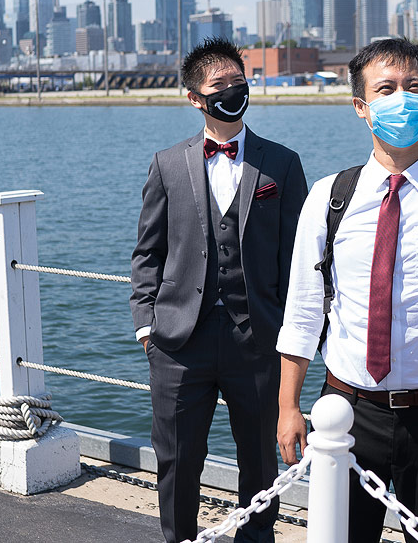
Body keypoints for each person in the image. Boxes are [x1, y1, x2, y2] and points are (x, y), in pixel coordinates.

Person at [276, 38, 418, 543]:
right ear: (362, 108)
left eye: (415, 87)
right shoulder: (330, 197)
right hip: (346, 411)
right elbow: (303, 311)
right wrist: (288, 407)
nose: (403, 99)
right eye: (386, 89)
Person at [130, 37, 307, 543]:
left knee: (258, 464)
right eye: (219, 86)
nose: (232, 92)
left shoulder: (282, 164)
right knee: (178, 461)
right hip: (179, 343)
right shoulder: (167, 164)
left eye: (238, 82)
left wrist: (296, 331)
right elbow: (148, 252)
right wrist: (147, 325)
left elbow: (299, 257)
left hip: (258, 342)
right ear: (194, 97)